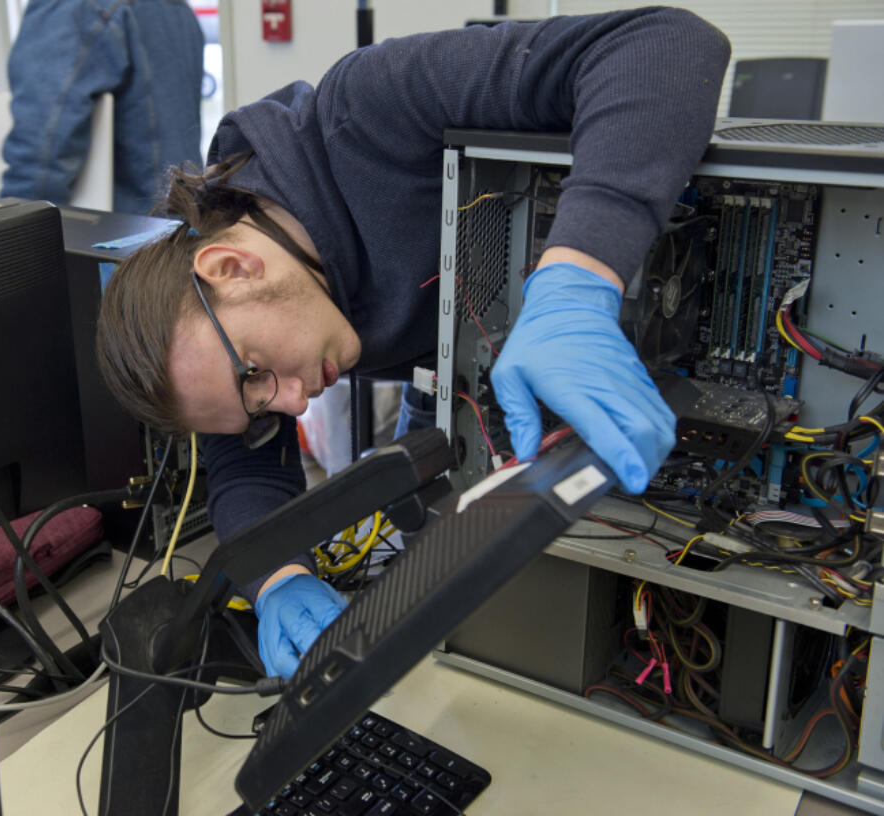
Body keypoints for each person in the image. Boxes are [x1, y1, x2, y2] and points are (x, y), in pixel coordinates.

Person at [96, 8, 731, 677]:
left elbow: (667, 43)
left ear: (233, 269)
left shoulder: (368, 110)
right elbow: (242, 466)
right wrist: (277, 579)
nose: (288, 405)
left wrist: (578, 276)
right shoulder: (229, 338)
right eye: (259, 407)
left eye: (255, 374)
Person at [0, 0, 205, 215]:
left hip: (116, 236)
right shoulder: (177, 8)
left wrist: (8, 234)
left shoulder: (78, 7)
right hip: (178, 223)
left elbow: (41, 155)